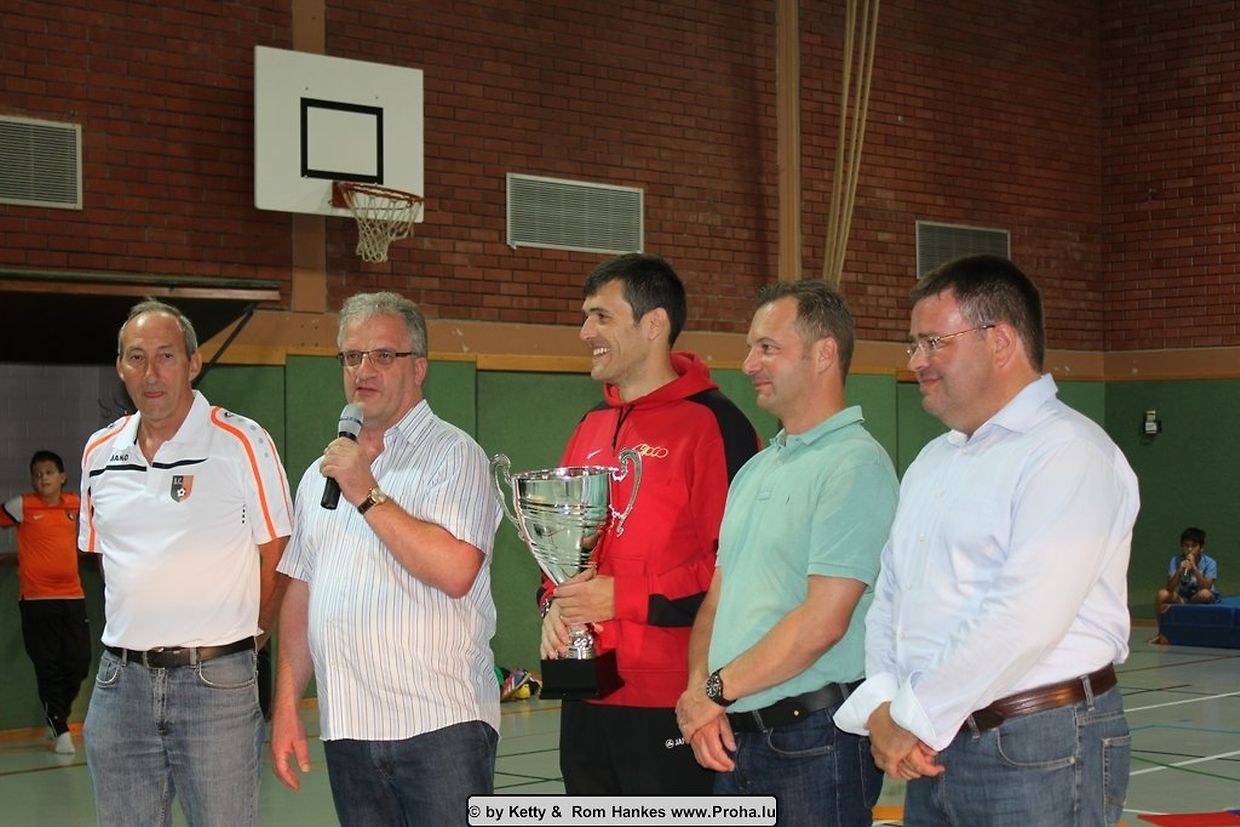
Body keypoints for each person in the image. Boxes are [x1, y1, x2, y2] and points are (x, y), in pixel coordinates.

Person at [834, 254, 1139, 826]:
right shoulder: (934, 460)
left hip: (1038, 747)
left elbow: (1023, 617)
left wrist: (910, 718)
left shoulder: (1069, 452)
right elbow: (893, 596)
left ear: (999, 342)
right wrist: (882, 703)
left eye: (932, 342)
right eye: (913, 344)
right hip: (934, 745)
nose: (916, 361)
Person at [271, 292, 502, 826]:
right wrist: (285, 706)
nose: (363, 370)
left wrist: (366, 492)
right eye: (352, 356)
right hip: (348, 729)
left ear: (418, 367)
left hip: (440, 728)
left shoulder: (454, 455)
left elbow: (455, 571)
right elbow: (301, 594)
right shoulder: (319, 476)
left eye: (383, 355)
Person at [674, 281, 895, 825]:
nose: (749, 364)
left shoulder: (855, 465)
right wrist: (700, 694)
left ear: (824, 354)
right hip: (733, 738)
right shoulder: (756, 469)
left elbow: (823, 623)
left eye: (767, 348)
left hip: (814, 744)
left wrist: (715, 691)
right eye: (751, 348)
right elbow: (717, 601)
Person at [541, 253, 760, 795]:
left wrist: (624, 597)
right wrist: (554, 606)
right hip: (585, 693)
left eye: (601, 316)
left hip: (674, 702)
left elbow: (732, 570)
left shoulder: (716, 425)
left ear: (654, 324)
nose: (585, 332)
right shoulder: (590, 424)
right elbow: (558, 550)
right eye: (585, 317)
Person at [79, 298, 293, 826]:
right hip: (119, 688)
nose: (151, 373)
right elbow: (105, 558)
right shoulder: (98, 452)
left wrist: (252, 638)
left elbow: (281, 552)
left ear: (193, 363)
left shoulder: (242, 442)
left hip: (216, 687)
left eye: (166, 356)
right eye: (137, 357)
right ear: (120, 367)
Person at [0, 450, 91, 755]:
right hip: (36, 600)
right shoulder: (22, 506)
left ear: (62, 477)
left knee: (79, 662)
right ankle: (60, 727)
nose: (43, 479)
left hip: (73, 597)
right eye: (37, 474)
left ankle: (57, 716)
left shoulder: (75, 504)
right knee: (48, 666)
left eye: (49, 472)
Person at [1151, 527, 1219, 644]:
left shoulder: (1210, 563)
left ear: (1201, 548)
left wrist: (1195, 569)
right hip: (1183, 598)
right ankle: (1161, 633)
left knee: (1205, 594)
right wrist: (1179, 571)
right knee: (1162, 594)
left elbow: (1206, 587)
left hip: (1199, 597)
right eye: (1186, 545)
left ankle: (1185, 610)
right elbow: (1170, 588)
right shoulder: (1175, 560)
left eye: (1193, 546)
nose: (1189, 549)